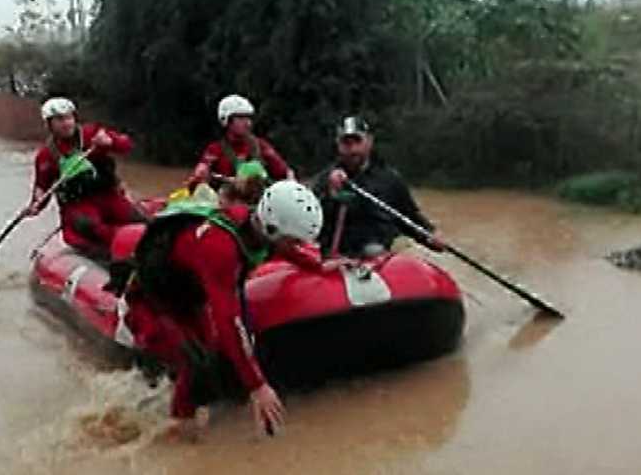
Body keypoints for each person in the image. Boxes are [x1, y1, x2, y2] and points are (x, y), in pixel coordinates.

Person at [123, 181, 324, 440]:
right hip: (155, 299)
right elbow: (228, 320)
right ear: (273, 228)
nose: (297, 245)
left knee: (214, 357)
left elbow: (285, 250)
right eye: (294, 240)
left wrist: (318, 266)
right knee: (195, 363)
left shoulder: (258, 226)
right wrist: (258, 386)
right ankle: (179, 433)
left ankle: (188, 411)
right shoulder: (221, 248)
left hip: (187, 294)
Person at [23, 97, 146, 257]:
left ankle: (141, 241)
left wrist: (110, 141)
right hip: (78, 205)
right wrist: (35, 205)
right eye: (59, 119)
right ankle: (124, 246)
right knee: (91, 226)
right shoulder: (46, 156)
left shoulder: (92, 134)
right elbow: (42, 188)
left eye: (69, 117)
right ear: (49, 124)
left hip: (108, 196)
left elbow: (126, 145)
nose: (66, 123)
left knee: (138, 219)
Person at [312, 116, 444, 258]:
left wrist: (430, 236)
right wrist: (329, 193)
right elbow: (309, 222)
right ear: (338, 145)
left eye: (357, 141)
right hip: (334, 259)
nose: (353, 149)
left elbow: (409, 218)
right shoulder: (323, 180)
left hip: (377, 260)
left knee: (376, 250)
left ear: (369, 141)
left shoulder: (390, 180)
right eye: (346, 143)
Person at [187, 94, 295, 190]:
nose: (248, 123)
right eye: (241, 118)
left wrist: (291, 183)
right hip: (226, 203)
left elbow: (285, 172)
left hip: (260, 203)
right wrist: (200, 175)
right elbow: (198, 176)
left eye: (249, 118)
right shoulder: (215, 149)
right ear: (226, 120)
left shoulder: (261, 146)